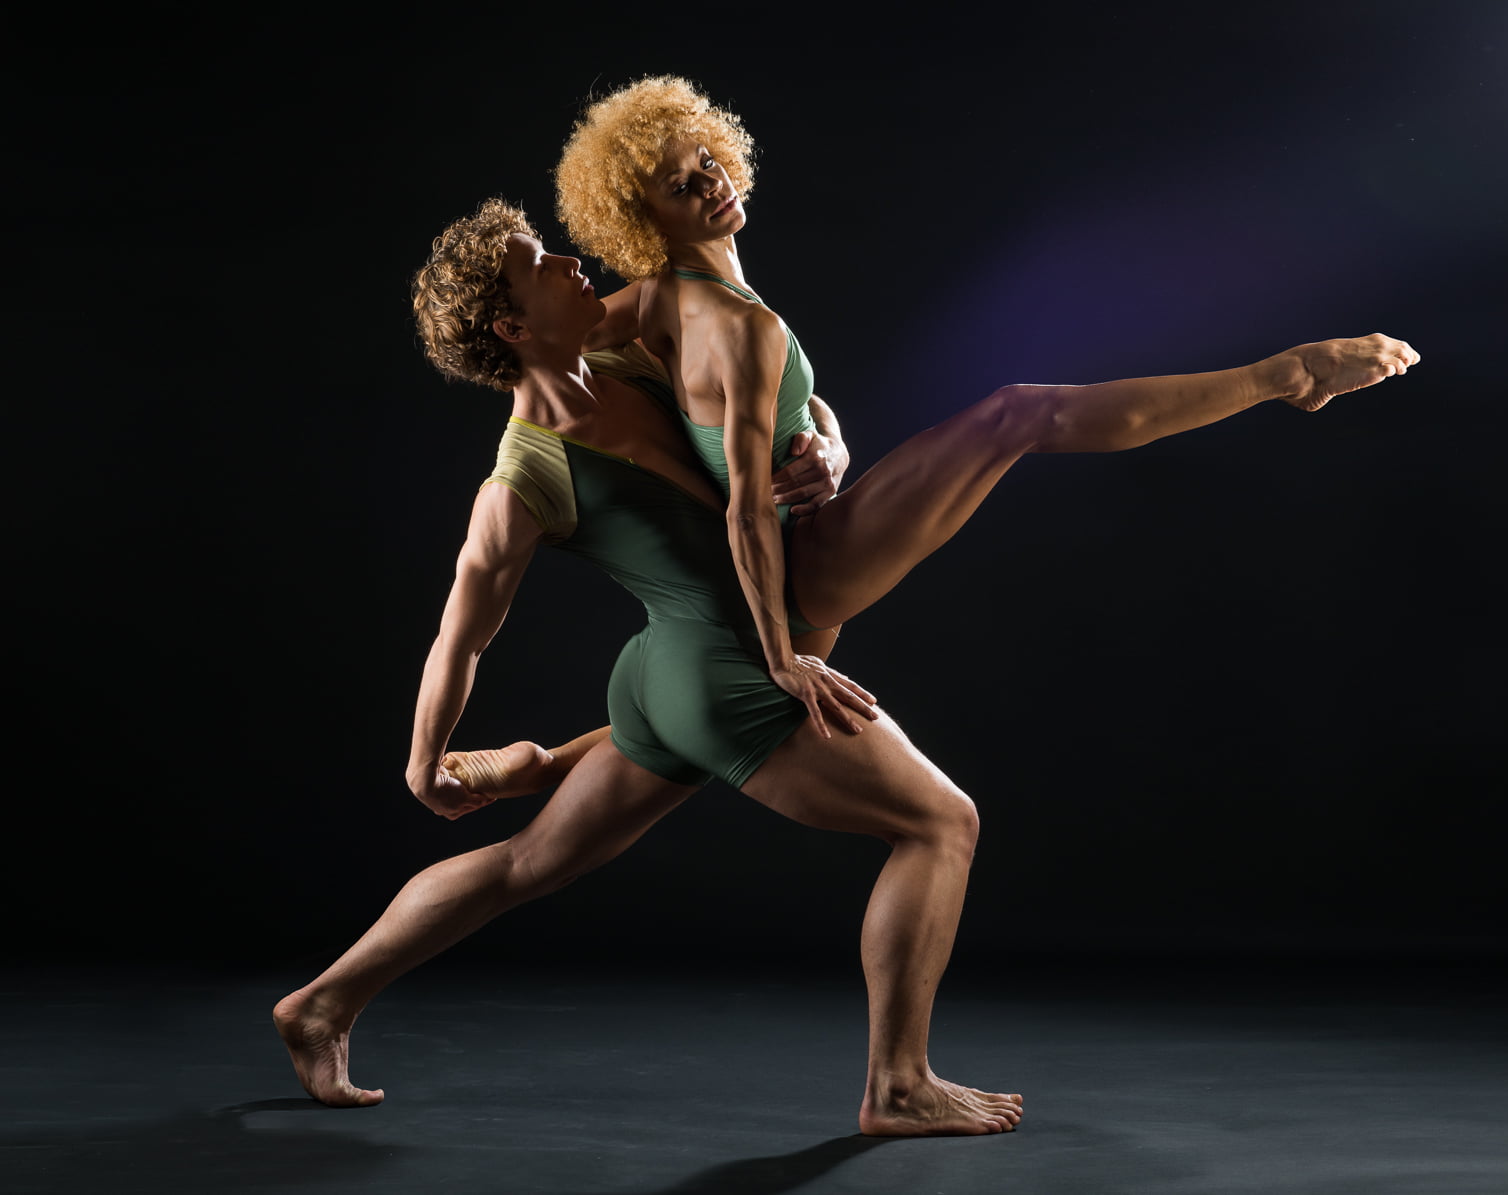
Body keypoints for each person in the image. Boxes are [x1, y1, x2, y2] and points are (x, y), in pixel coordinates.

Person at [272, 197, 1026, 1136]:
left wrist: (830, 447)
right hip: (726, 681)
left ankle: (320, 1004)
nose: (570, 263)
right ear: (512, 328)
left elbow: (783, 392)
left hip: (663, 677)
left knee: (524, 863)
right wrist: (425, 762)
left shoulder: (633, 354)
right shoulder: (525, 475)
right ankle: (899, 1086)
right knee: (941, 823)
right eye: (542, 265)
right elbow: (461, 634)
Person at [548, 74, 1422, 729]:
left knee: (562, 836)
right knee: (1018, 413)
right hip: (796, 574)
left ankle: (510, 774)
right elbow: (731, 493)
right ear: (643, 220)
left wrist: (831, 441)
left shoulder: (689, 302)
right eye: (680, 185)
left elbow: (782, 401)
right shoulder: (695, 314)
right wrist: (781, 659)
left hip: (799, 555)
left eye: (705, 160)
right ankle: (1286, 375)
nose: (710, 182)